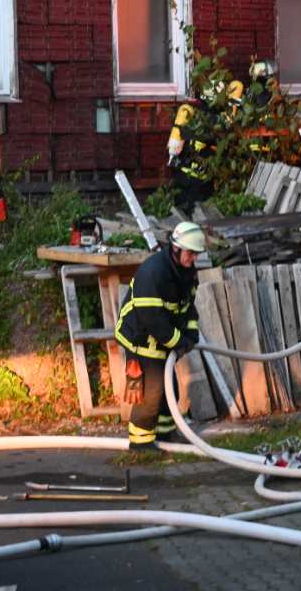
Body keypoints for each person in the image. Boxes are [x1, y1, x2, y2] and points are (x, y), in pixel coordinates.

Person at [115, 222, 205, 450]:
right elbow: (152, 318)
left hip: (160, 336)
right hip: (140, 336)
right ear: (175, 249)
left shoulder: (186, 273)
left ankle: (166, 434)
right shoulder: (153, 272)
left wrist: (191, 333)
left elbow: (187, 308)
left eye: (196, 254)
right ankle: (141, 443)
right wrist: (178, 342)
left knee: (168, 386)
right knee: (151, 389)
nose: (193, 258)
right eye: (190, 253)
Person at [168, 80, 244, 215]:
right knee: (201, 211)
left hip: (184, 173)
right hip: (203, 178)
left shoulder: (191, 113)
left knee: (183, 211)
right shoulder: (219, 119)